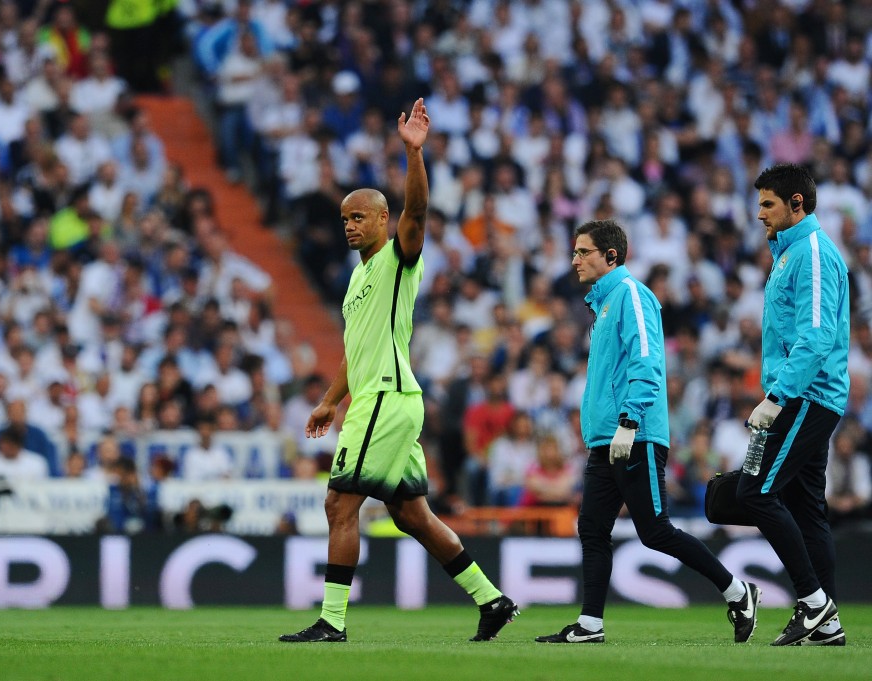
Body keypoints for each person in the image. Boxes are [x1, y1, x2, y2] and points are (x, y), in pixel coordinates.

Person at [279, 99, 518, 644]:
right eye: (344, 219)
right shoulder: (357, 280)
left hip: (386, 398)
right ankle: (492, 599)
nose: (350, 226)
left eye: (358, 217)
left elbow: (419, 214)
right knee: (411, 515)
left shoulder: (398, 257)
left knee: (340, 503)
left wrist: (414, 153)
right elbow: (351, 353)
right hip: (381, 396)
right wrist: (328, 400)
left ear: (383, 219)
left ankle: (332, 622)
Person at [536, 219, 759, 645]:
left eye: (583, 252)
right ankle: (590, 625)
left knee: (655, 530)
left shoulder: (632, 295)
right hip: (607, 439)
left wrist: (629, 422)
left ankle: (738, 592)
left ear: (612, 256)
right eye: (575, 251)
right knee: (592, 528)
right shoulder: (603, 304)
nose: (575, 259)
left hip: (633, 435)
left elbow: (647, 363)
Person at [737, 163, 850, 646]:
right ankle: (827, 624)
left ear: (796, 203)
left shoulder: (814, 253)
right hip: (802, 394)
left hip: (805, 395)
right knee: (806, 510)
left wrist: (778, 396)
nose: (758, 213)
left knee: (754, 492)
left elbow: (818, 334)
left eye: (768, 203)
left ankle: (813, 602)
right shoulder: (790, 253)